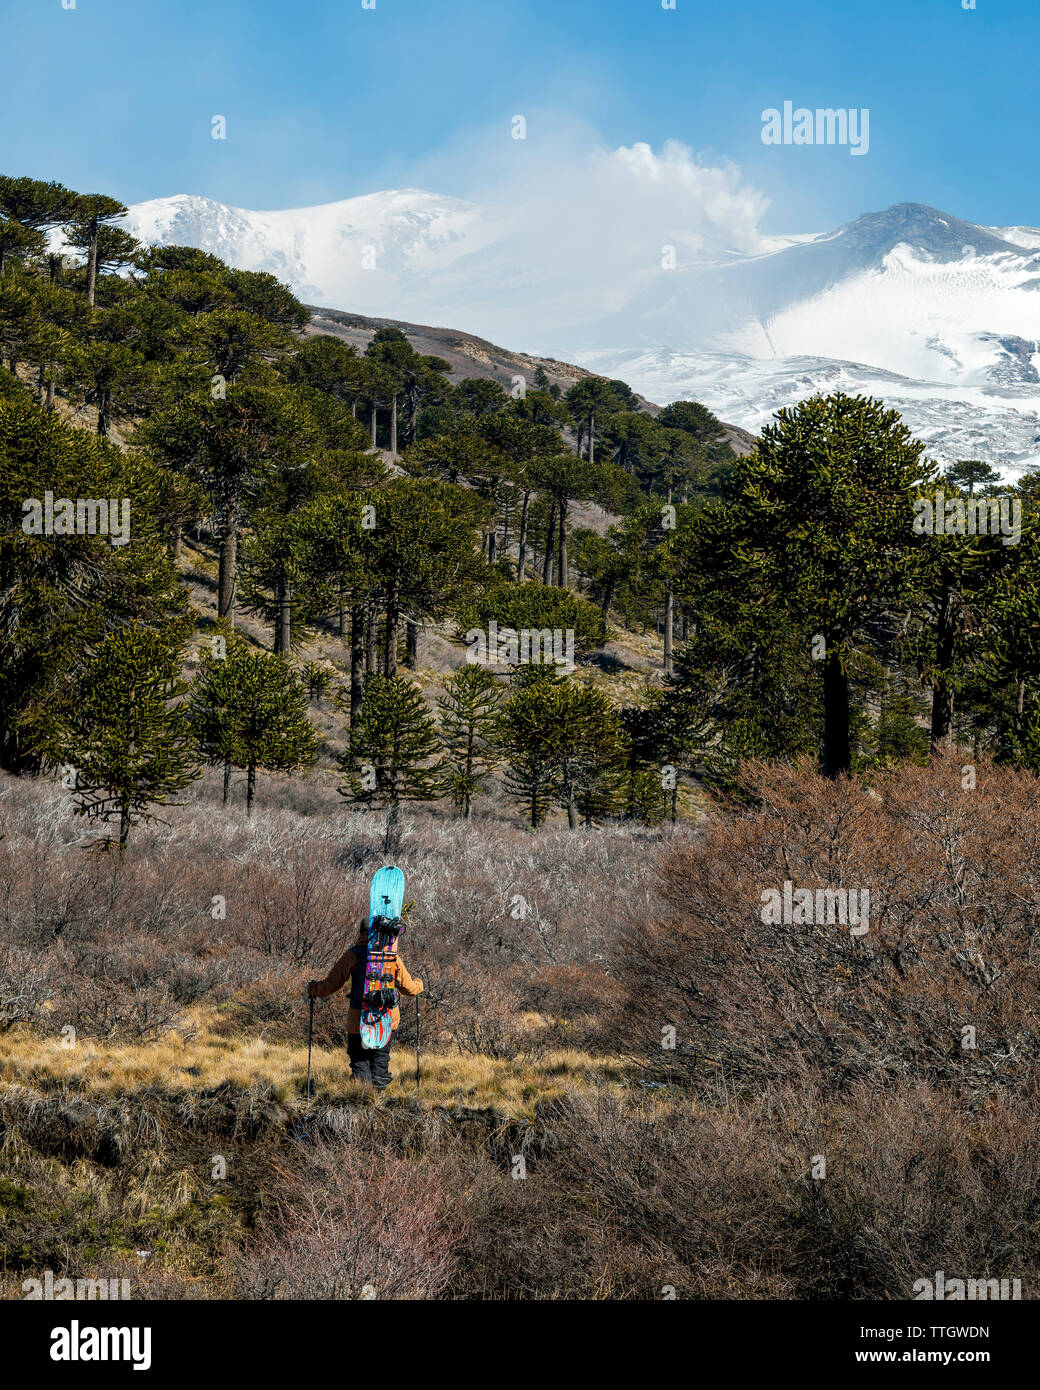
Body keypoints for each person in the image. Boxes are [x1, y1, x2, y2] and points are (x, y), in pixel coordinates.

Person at [306, 919, 423, 1089]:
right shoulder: (392, 956)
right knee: (380, 1060)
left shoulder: (353, 954)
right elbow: (410, 989)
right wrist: (420, 984)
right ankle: (377, 1103)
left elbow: (331, 984)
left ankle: (363, 1099)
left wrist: (313, 989)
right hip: (387, 1019)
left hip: (358, 1019)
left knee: (360, 1060)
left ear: (361, 933)